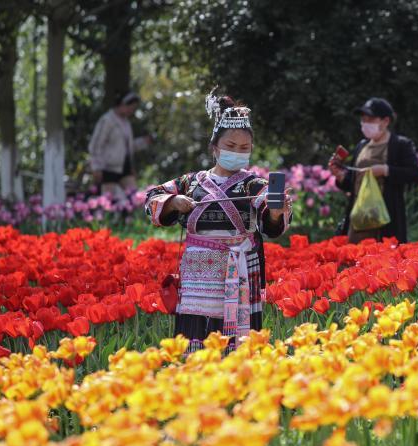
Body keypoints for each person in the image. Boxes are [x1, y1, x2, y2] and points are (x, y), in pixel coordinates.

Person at [144, 90, 292, 353]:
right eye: (231, 147)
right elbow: (152, 197)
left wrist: (277, 212)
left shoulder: (255, 184)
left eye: (244, 148)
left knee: (238, 344)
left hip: (241, 270)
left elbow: (270, 219)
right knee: (196, 336)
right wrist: (174, 202)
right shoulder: (191, 183)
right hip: (198, 276)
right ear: (215, 148)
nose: (238, 152)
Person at [329, 97, 418, 244]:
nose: (365, 123)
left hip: (385, 220)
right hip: (359, 220)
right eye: (363, 119)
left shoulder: (400, 144)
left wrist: (386, 170)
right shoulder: (361, 146)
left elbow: (416, 175)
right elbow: (353, 184)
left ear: (385, 121)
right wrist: (340, 176)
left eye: (371, 119)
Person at [88, 90, 152, 198]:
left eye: (134, 109)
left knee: (134, 198)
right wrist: (96, 167)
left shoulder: (126, 123)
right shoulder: (107, 120)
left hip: (125, 167)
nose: (131, 111)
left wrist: (143, 142)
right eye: (130, 107)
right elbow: (95, 145)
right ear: (122, 104)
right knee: (109, 202)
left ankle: (131, 214)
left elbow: (127, 146)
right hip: (108, 167)